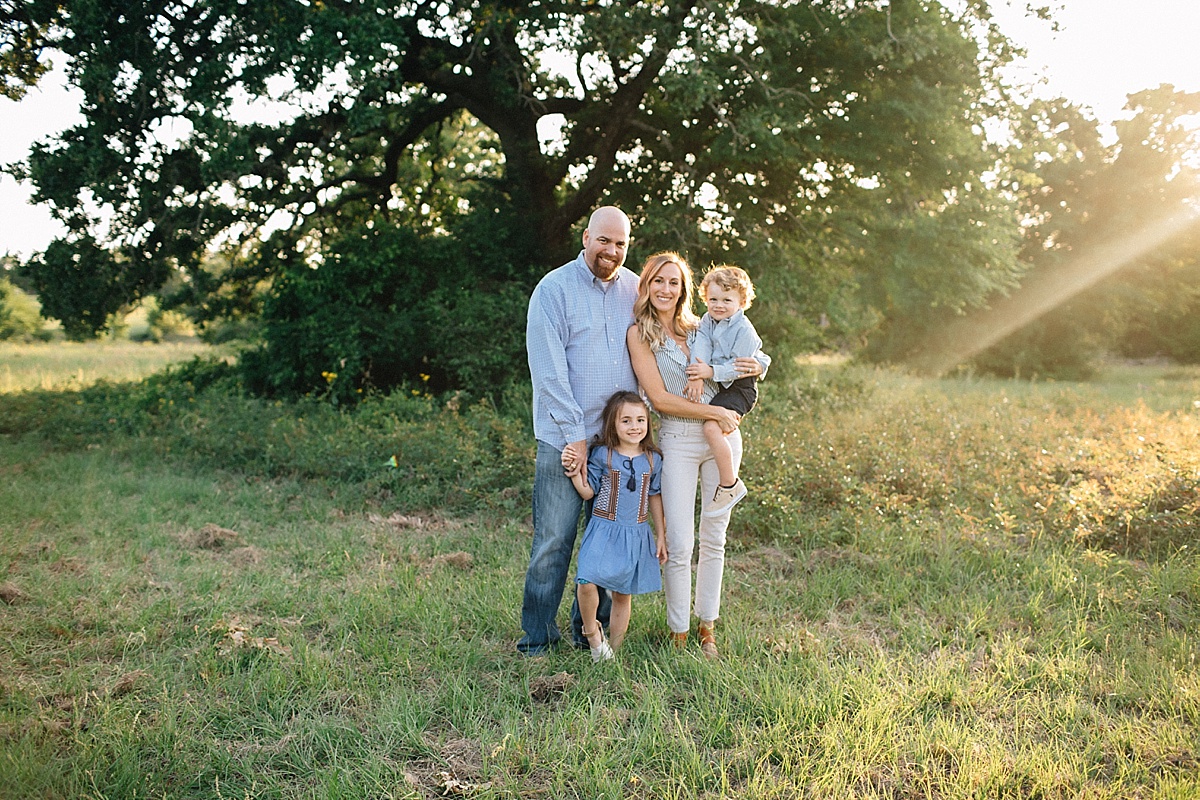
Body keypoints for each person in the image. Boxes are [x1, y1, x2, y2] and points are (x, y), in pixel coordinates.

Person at [626, 252, 768, 659]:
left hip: (721, 437)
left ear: (685, 289)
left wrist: (759, 366)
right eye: (658, 281)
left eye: (674, 282)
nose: (666, 289)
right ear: (647, 286)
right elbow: (659, 398)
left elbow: (750, 358)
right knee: (678, 541)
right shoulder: (640, 334)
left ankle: (708, 627)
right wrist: (715, 411)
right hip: (679, 441)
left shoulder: (704, 325)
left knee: (714, 537)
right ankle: (678, 631)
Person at [519, 206, 640, 655]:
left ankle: (592, 634)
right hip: (563, 440)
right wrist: (574, 436)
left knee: (606, 544)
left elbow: (674, 334)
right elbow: (548, 372)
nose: (612, 251)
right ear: (586, 237)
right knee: (554, 541)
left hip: (616, 445)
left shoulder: (635, 289)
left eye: (621, 244)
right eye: (604, 240)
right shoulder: (553, 290)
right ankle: (537, 640)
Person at [568, 391, 667, 662]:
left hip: (635, 532)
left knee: (623, 594)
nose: (634, 426)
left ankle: (614, 651)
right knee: (586, 580)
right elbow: (589, 493)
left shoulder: (652, 459)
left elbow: (654, 496)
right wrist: (576, 474)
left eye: (640, 420)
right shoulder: (603, 455)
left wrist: (660, 535)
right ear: (613, 423)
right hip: (603, 529)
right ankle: (593, 635)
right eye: (626, 421)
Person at [684, 266, 769, 518]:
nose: (718, 305)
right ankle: (728, 483)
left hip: (741, 387)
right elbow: (702, 341)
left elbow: (739, 368)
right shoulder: (708, 320)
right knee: (712, 426)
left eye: (726, 300)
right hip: (723, 384)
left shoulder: (745, 330)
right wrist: (697, 372)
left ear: (742, 302)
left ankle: (730, 484)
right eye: (713, 299)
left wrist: (709, 372)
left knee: (711, 427)